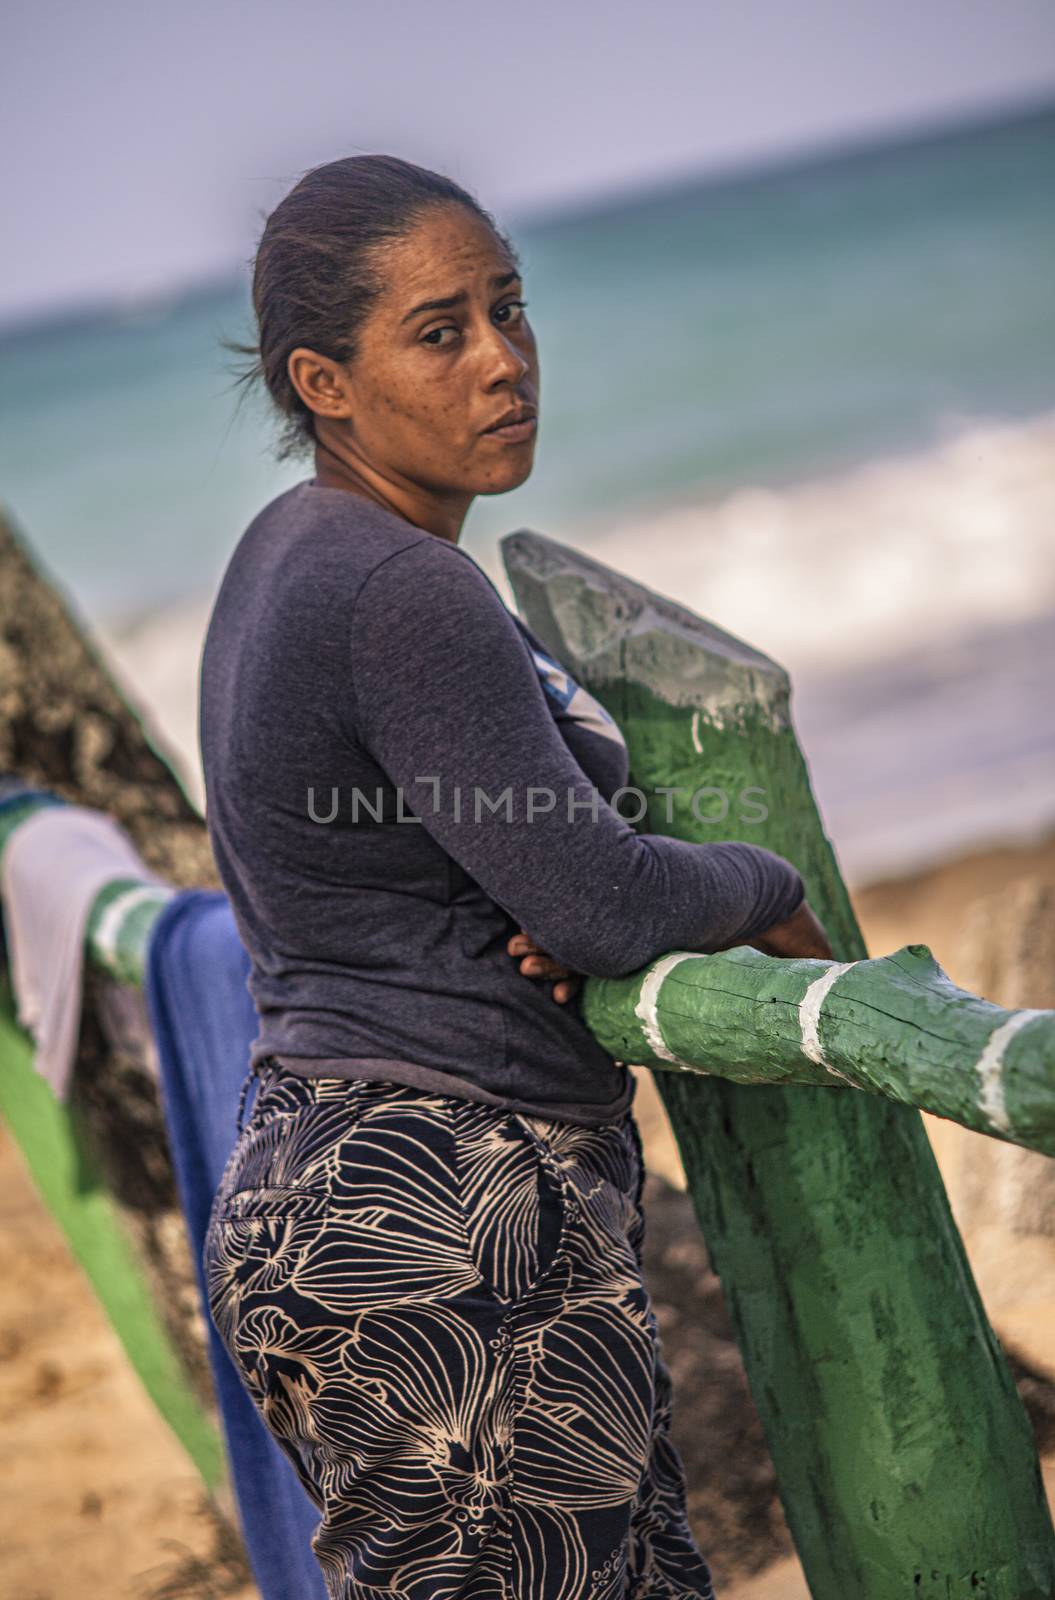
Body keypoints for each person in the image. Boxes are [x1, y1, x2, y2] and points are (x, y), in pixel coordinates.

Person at [199, 152, 832, 1600]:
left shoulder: (288, 553)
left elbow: (494, 864)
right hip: (446, 1216)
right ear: (324, 381)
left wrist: (557, 887)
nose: (504, 361)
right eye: (442, 332)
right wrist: (757, 879)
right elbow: (596, 901)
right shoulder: (405, 586)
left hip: (334, 1189)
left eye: (511, 310)